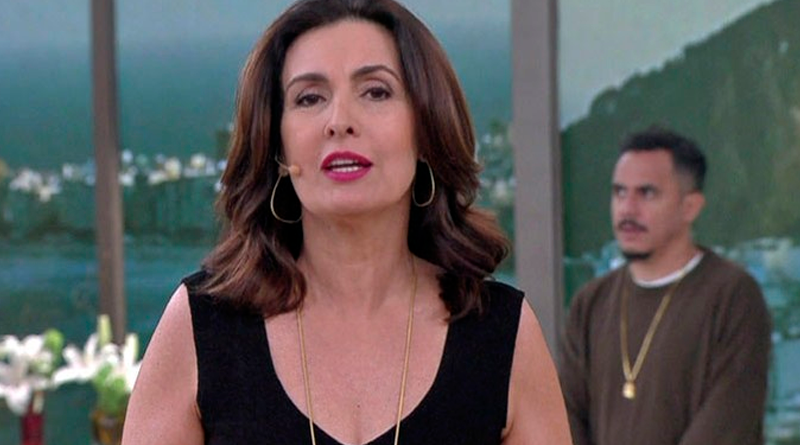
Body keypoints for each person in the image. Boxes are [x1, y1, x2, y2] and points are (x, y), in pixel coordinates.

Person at [121, 0, 572, 444]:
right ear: (278, 145)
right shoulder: (202, 326)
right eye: (309, 98)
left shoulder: (503, 333)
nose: (339, 122)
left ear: (425, 129)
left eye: (376, 92)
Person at [559, 126, 771, 445]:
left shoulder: (733, 295)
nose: (627, 209)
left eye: (647, 193)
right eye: (619, 192)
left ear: (690, 207)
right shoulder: (591, 302)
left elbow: (728, 423)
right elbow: (565, 418)